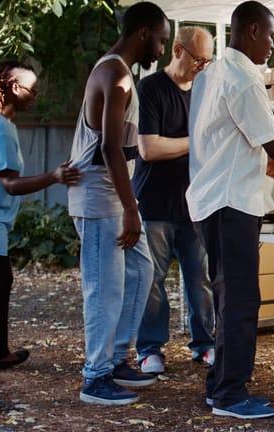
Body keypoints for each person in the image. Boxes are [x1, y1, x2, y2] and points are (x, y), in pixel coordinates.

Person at [187, 0, 274, 420]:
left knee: (230, 296)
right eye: (272, 36)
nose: (273, 46)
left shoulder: (219, 71)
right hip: (229, 203)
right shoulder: (243, 78)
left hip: (216, 198)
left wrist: (266, 160)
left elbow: (237, 141)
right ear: (253, 31)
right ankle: (230, 393)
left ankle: (218, 386)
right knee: (241, 299)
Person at [67, 1, 170, 406]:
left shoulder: (120, 73)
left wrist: (128, 204)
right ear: (143, 32)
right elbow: (110, 147)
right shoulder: (115, 74)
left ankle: (114, 358)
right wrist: (131, 208)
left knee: (142, 270)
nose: (161, 50)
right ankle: (95, 377)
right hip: (99, 198)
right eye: (161, 40)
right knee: (104, 288)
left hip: (117, 194)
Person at [0, 61, 81, 403]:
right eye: (32, 89)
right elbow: (10, 184)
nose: (36, 95)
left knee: (2, 284)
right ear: (14, 88)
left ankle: (2, 353)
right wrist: (54, 176)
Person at [133, 26, 216, 375]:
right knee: (151, 280)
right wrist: (195, 143)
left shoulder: (206, 90)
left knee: (200, 278)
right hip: (154, 202)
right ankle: (150, 349)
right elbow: (149, 148)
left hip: (196, 203)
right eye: (198, 59)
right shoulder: (150, 88)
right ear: (178, 51)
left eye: (208, 60)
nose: (202, 66)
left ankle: (205, 344)